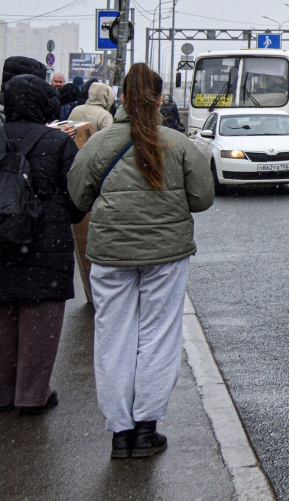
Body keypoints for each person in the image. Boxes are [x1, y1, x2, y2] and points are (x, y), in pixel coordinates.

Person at [67, 63, 214, 460]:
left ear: (123, 100)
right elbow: (202, 199)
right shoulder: (178, 144)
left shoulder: (98, 144)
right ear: (161, 100)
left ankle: (120, 433)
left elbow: (78, 199)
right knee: (158, 337)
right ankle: (147, 430)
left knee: (113, 337)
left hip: (111, 255)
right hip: (166, 256)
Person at [0, 75, 83, 415]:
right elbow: (76, 200)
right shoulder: (58, 143)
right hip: (46, 244)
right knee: (40, 318)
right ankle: (32, 395)